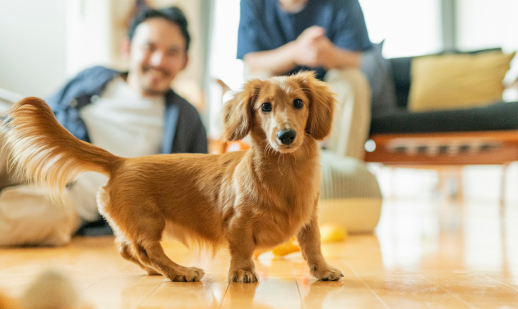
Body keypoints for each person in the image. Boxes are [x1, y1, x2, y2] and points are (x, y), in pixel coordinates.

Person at [0, 6, 208, 246]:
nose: (158, 60)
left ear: (184, 61)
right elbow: (42, 112)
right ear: (127, 48)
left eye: (172, 52)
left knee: (37, 215)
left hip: (68, 199)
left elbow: (196, 192)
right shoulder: (93, 77)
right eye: (149, 47)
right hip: (35, 150)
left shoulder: (187, 120)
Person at [237, 0, 372, 160]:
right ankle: (267, 173)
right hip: (273, 79)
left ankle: (341, 174)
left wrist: (328, 54)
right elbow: (252, 60)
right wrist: (295, 52)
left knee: (354, 82)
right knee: (258, 77)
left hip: (326, 82)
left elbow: (355, 61)